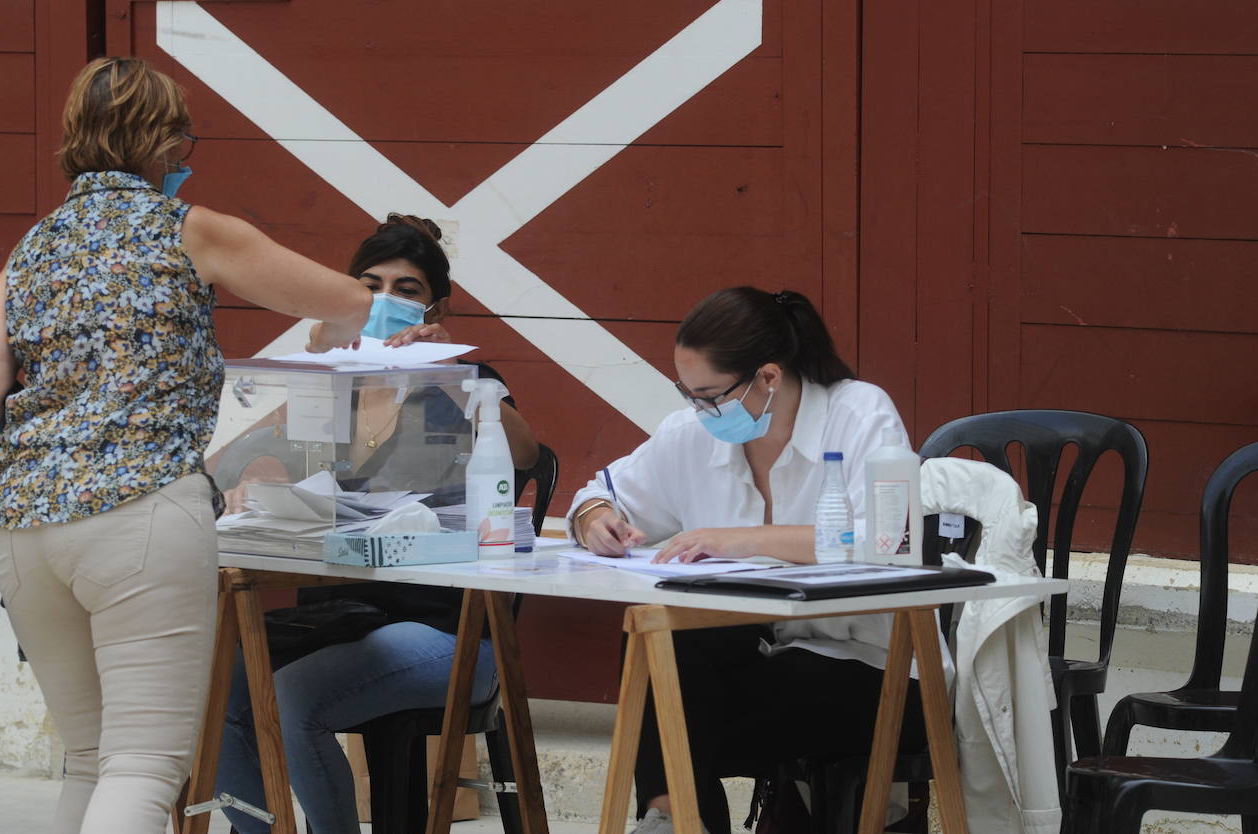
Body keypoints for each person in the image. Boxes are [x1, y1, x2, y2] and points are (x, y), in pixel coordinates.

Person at [0, 56, 373, 834]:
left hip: (24, 522)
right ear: (160, 140)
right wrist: (335, 330)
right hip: (141, 510)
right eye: (183, 137)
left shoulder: (31, 249)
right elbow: (350, 299)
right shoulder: (187, 227)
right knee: (143, 767)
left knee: (89, 760)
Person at [567, 286, 942, 834]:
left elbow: (886, 541)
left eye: (710, 395)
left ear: (768, 377)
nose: (699, 410)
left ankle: (672, 818)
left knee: (677, 720)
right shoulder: (691, 434)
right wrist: (596, 519)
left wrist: (742, 539)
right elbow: (599, 493)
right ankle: (672, 817)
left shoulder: (858, 413)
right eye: (688, 394)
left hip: (872, 665)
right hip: (766, 656)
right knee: (658, 639)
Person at [215, 213, 537, 834]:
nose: (385, 299)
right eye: (370, 285)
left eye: (406, 289)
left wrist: (445, 373)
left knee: (293, 698)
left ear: (436, 306)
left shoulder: (459, 382)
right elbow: (242, 456)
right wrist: (253, 475)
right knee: (210, 690)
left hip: (444, 628)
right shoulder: (334, 383)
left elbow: (525, 453)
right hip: (336, 619)